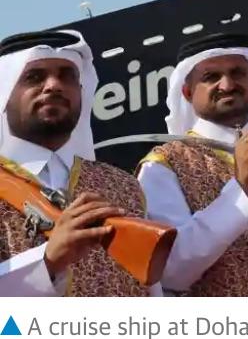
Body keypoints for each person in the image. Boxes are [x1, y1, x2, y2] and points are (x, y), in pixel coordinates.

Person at [0, 30, 160, 296]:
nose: (53, 85)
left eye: (66, 75)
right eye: (34, 77)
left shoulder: (122, 184)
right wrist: (48, 263)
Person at [138, 32, 248, 296]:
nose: (227, 85)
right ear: (187, 91)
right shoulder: (163, 165)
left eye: (238, 73)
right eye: (211, 77)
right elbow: (171, 271)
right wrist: (241, 189)